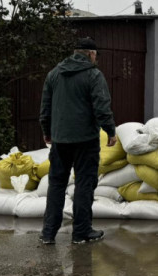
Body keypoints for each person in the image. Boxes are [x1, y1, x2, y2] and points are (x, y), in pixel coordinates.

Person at [39, 38, 116, 245]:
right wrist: (110, 131)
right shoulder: (93, 75)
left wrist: (47, 132)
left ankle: (48, 233)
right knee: (83, 183)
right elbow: (102, 106)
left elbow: (45, 109)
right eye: (95, 55)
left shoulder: (54, 74)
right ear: (91, 54)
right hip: (86, 140)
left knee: (56, 184)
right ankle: (81, 232)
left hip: (60, 140)